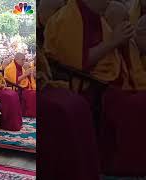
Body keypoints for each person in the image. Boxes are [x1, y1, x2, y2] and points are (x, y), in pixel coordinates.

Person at [44, 0, 146, 175]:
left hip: (113, 81)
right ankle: (126, 165)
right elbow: (77, 62)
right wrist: (113, 41)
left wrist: (123, 41)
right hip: (93, 85)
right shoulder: (68, 18)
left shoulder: (99, 18)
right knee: (139, 106)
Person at [4, 53, 36, 117]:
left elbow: (24, 77)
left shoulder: (20, 67)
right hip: (18, 87)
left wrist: (30, 74)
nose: (24, 61)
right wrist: (25, 74)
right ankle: (29, 113)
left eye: (24, 60)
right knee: (33, 94)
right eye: (22, 60)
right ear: (16, 59)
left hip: (24, 86)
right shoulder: (10, 68)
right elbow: (14, 81)